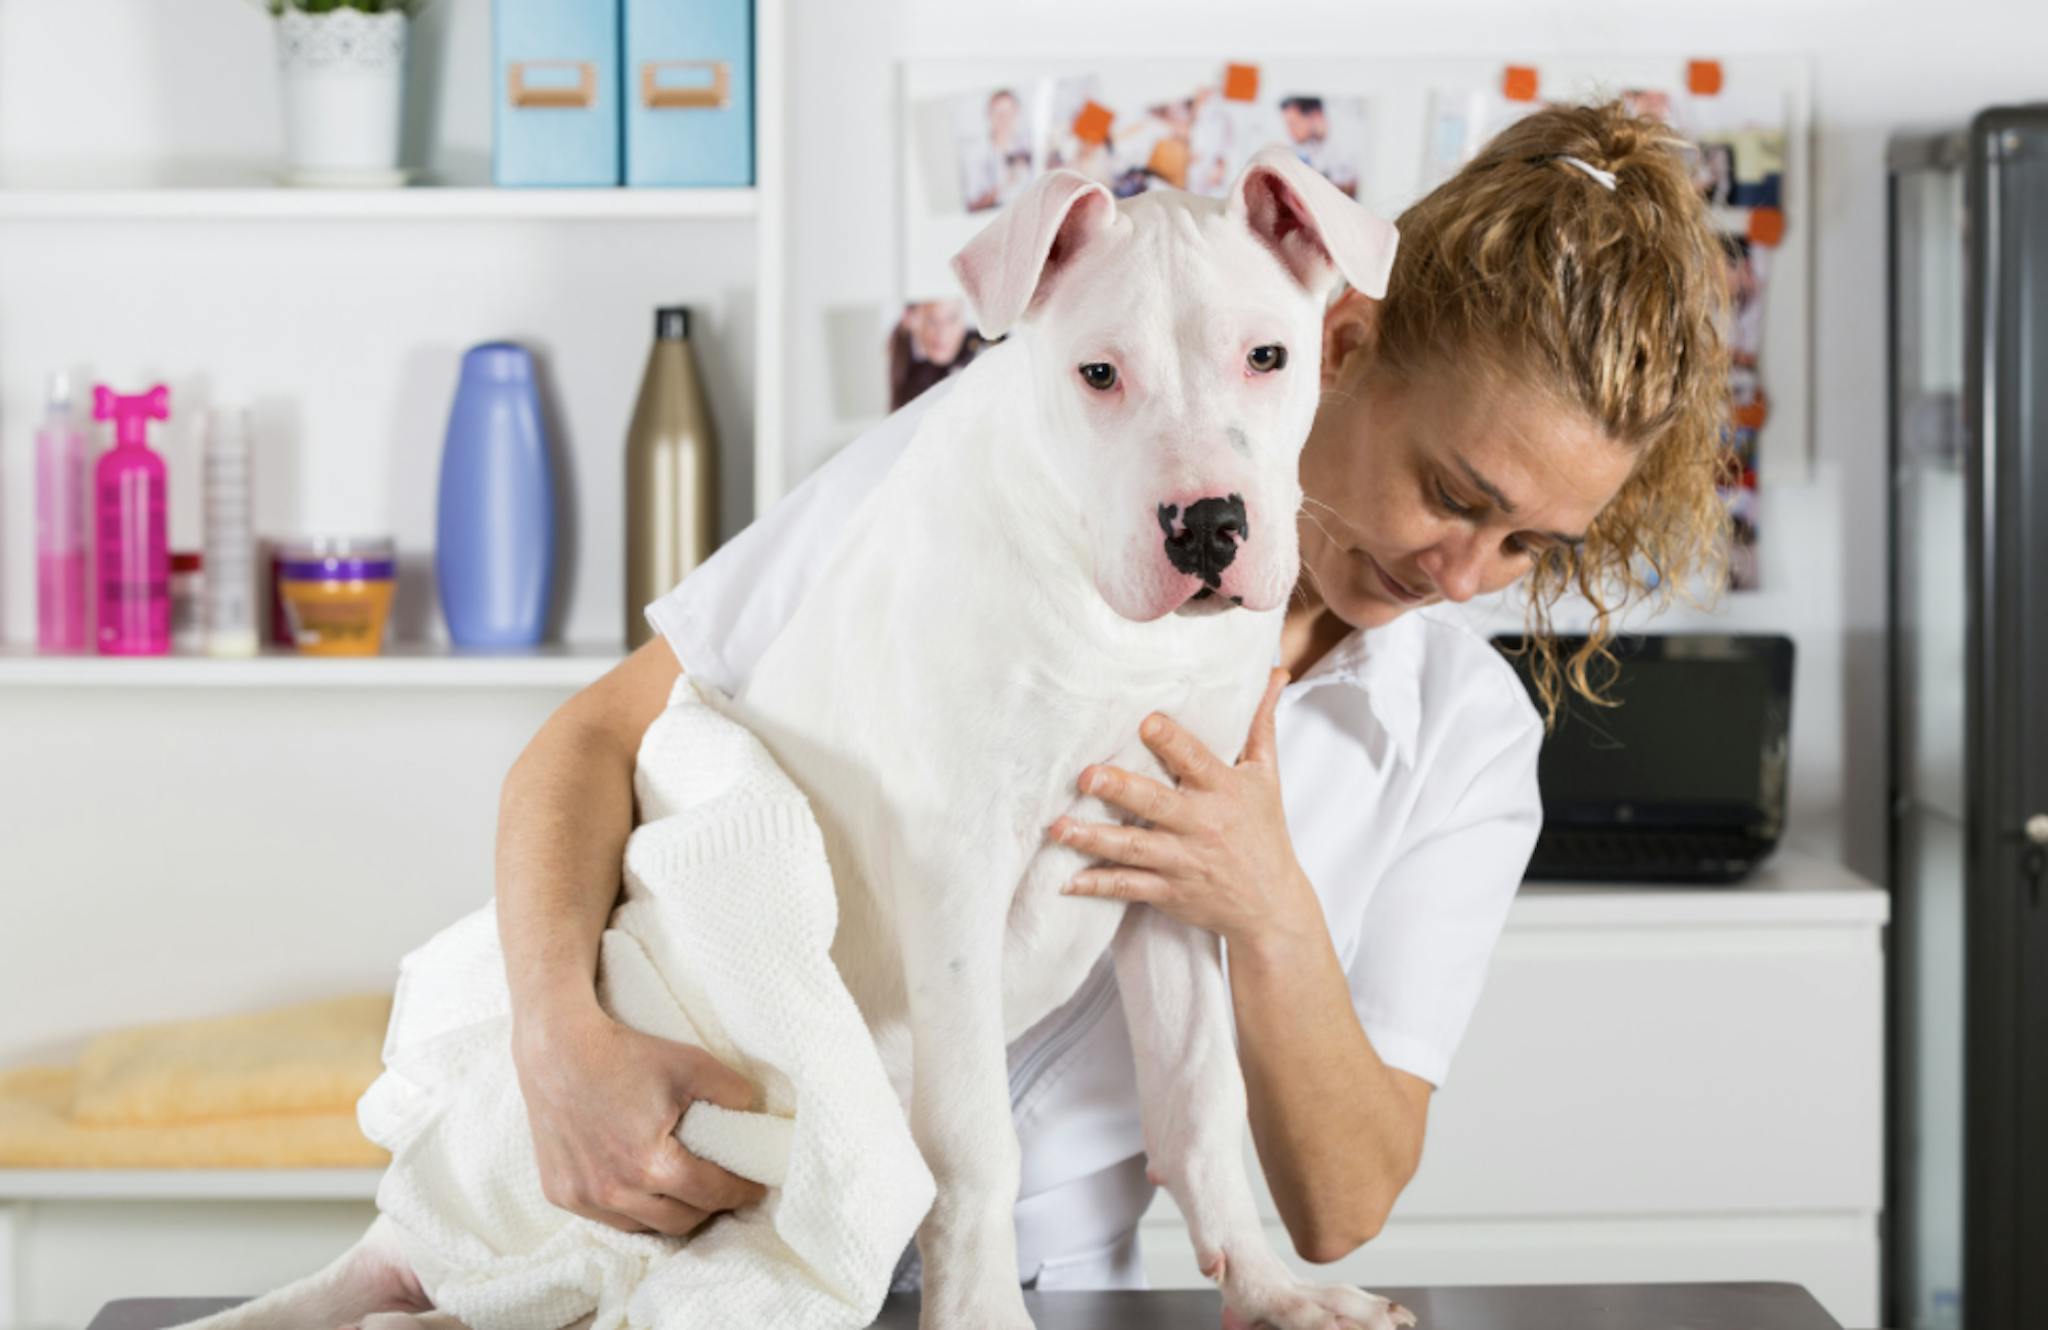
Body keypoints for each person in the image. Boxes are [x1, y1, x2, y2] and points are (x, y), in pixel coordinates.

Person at [494, 100, 1730, 1288]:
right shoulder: (998, 466)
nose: (1461, 575)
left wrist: (1267, 906)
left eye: (1531, 547)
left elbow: (1344, 1207)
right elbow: (606, 731)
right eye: (1454, 494)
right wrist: (556, 1041)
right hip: (701, 1195)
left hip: (1054, 1279)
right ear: (1339, 345)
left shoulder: (1461, 732)